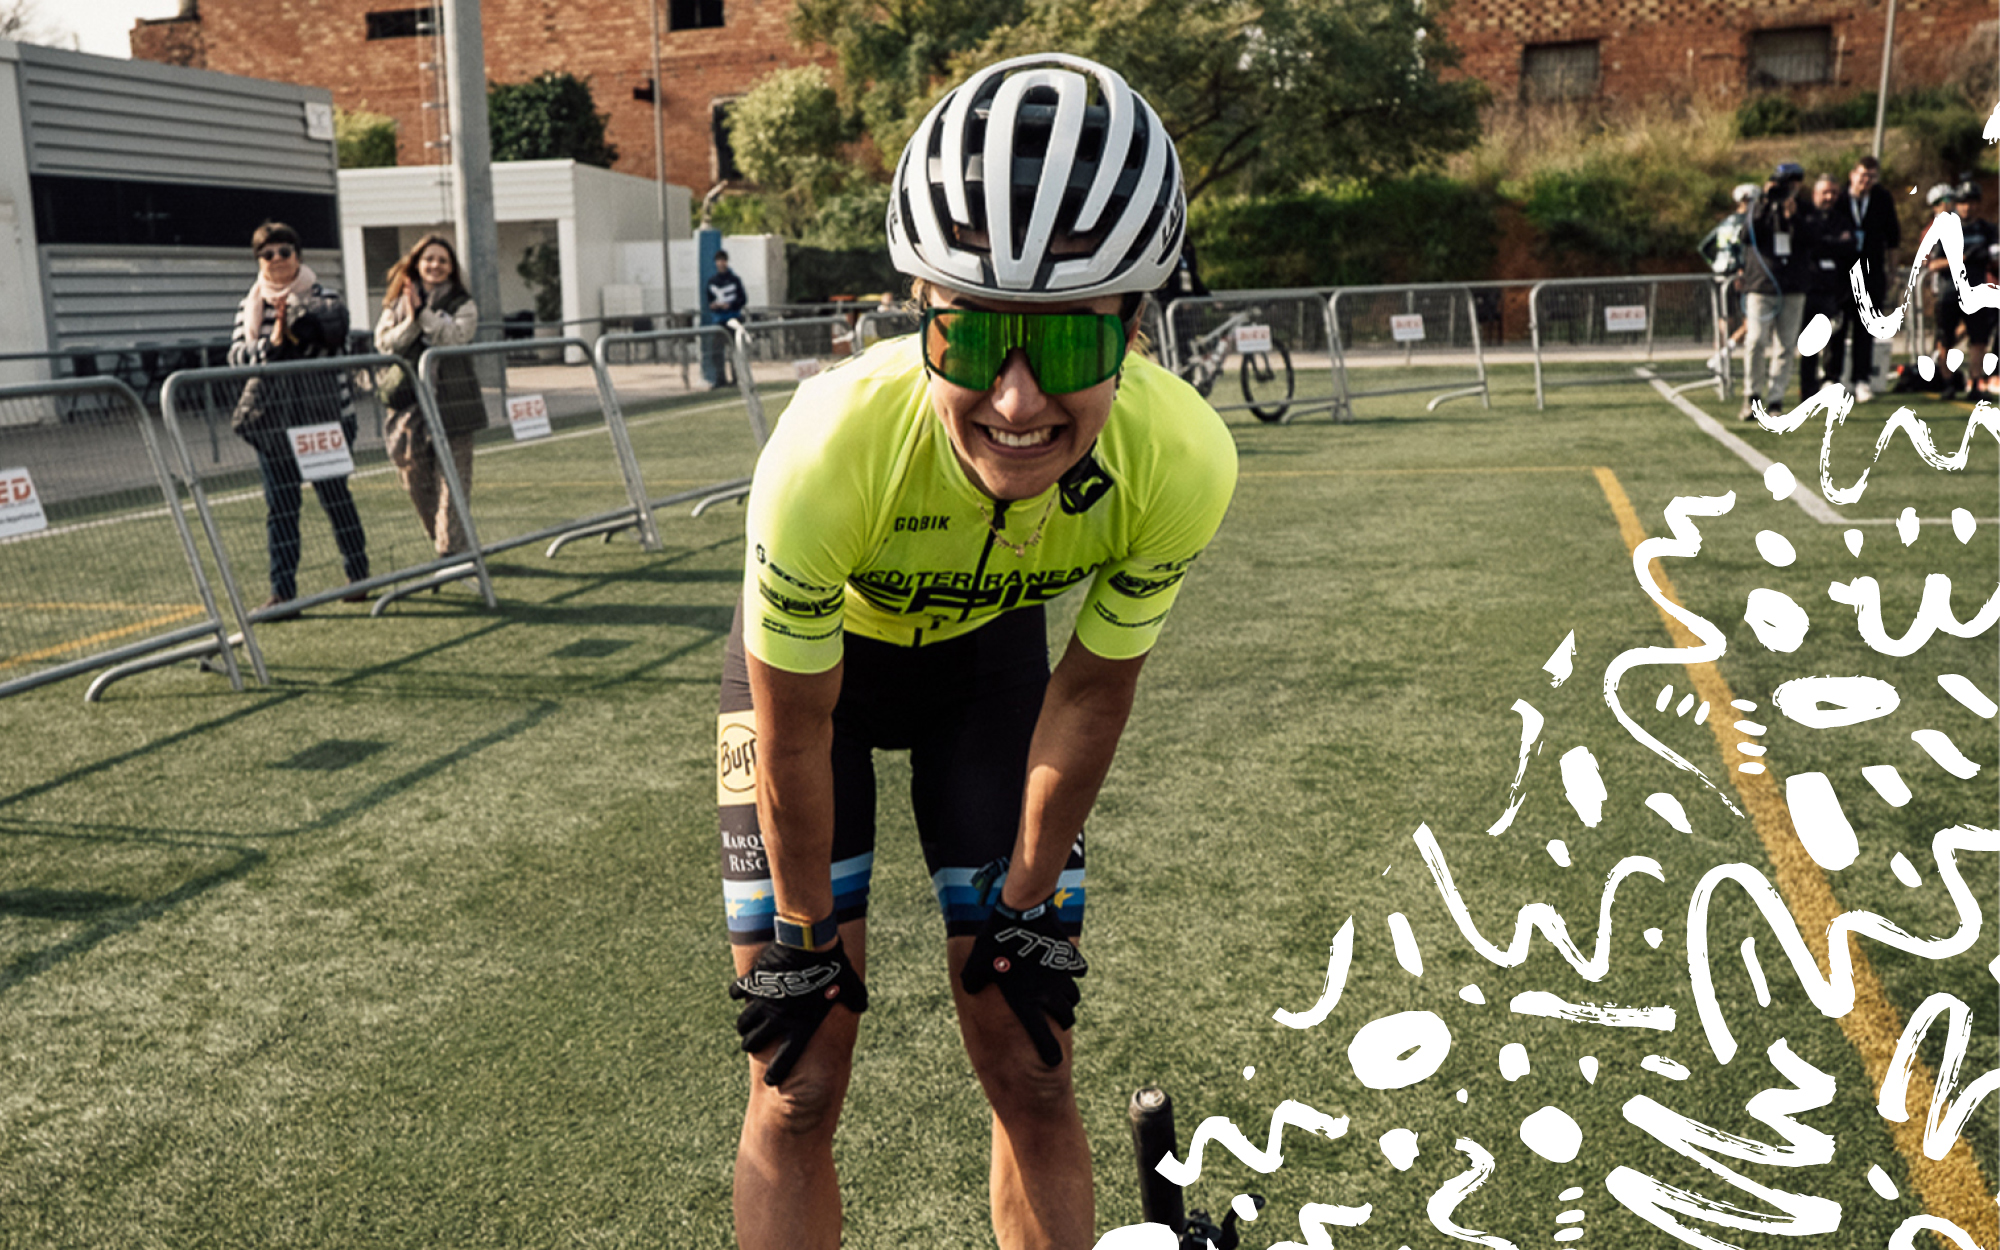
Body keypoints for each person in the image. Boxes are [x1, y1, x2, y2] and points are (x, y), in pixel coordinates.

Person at [717, 53, 1236, 1250]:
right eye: (971, 339)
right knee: (798, 1076)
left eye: (1067, 351)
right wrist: (802, 932)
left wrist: (1024, 897)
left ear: (1135, 330)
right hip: (815, 689)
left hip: (986, 671)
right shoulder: (825, 450)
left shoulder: (1179, 457)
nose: (1014, 402)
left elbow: (1089, 691)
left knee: (1030, 1054)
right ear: (919, 313)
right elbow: (794, 725)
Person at [227, 220, 369, 614]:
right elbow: (236, 356)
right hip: (274, 420)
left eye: (284, 251)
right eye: (267, 254)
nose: (276, 259)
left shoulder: (325, 296)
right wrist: (271, 345)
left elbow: (338, 343)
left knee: (335, 496)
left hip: (323, 415)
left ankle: (359, 575)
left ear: (298, 255)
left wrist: (296, 330)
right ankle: (282, 593)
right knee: (281, 506)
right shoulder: (249, 305)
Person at [373, 233, 487, 556]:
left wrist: (424, 313)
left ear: (452, 267)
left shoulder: (463, 304)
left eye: (442, 260)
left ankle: (452, 552)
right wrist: (412, 319)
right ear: (416, 263)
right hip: (407, 404)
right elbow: (384, 343)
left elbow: (454, 338)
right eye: (429, 259)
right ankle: (449, 544)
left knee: (453, 482)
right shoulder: (397, 302)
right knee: (414, 479)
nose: (435, 265)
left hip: (453, 403)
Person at [1738, 163, 1807, 420]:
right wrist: (1764, 203)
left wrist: (1793, 217)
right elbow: (1746, 235)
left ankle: (1776, 399)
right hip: (1761, 285)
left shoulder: (1803, 208)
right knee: (1755, 341)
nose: (1787, 188)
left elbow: (1812, 240)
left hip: (1792, 287)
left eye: (1792, 183)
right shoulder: (1758, 207)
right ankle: (1752, 396)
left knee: (1785, 346)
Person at [1838, 155, 1901, 403]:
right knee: (1837, 327)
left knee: (1865, 329)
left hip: (1871, 273)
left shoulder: (1882, 198)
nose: (1866, 181)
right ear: (1853, 175)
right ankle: (1832, 378)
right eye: (1863, 175)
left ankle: (1861, 380)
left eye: (1872, 177)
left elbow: (1893, 238)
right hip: (1842, 275)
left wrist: (1892, 271)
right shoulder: (1839, 198)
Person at [1797, 173, 1857, 401]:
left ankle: (1832, 379)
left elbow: (1849, 247)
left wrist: (1829, 244)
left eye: (1833, 192)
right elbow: (1810, 246)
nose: (1829, 197)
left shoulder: (1842, 219)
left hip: (1836, 288)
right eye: (1825, 192)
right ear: (1815, 194)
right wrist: (1832, 243)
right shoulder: (1806, 217)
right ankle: (1808, 386)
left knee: (1836, 336)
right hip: (1811, 288)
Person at [1697, 184, 1757, 373]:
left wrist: (1714, 263)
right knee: (1751, 321)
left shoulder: (1725, 222)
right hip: (1739, 275)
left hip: (1720, 274)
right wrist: (1742, 268)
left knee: (1724, 319)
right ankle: (1722, 356)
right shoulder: (1749, 222)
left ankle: (1720, 362)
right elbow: (1742, 249)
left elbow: (1704, 248)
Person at [1951, 180, 1996, 398]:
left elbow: (1995, 258)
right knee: (1947, 337)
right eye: (1963, 202)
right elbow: (1933, 263)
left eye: (1971, 202)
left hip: (1978, 290)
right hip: (1950, 291)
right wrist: (1965, 257)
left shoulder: (1988, 230)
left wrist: (1990, 258)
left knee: (1979, 338)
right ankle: (1947, 381)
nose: (1967, 207)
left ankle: (1975, 382)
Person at [702, 249, 748, 388]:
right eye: (719, 261)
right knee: (717, 352)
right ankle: (720, 379)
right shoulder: (712, 282)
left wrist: (730, 305)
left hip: (733, 319)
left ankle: (737, 377)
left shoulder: (734, 280)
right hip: (719, 321)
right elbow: (709, 301)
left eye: (723, 261)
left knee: (735, 351)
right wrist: (715, 306)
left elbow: (742, 299)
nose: (721, 263)